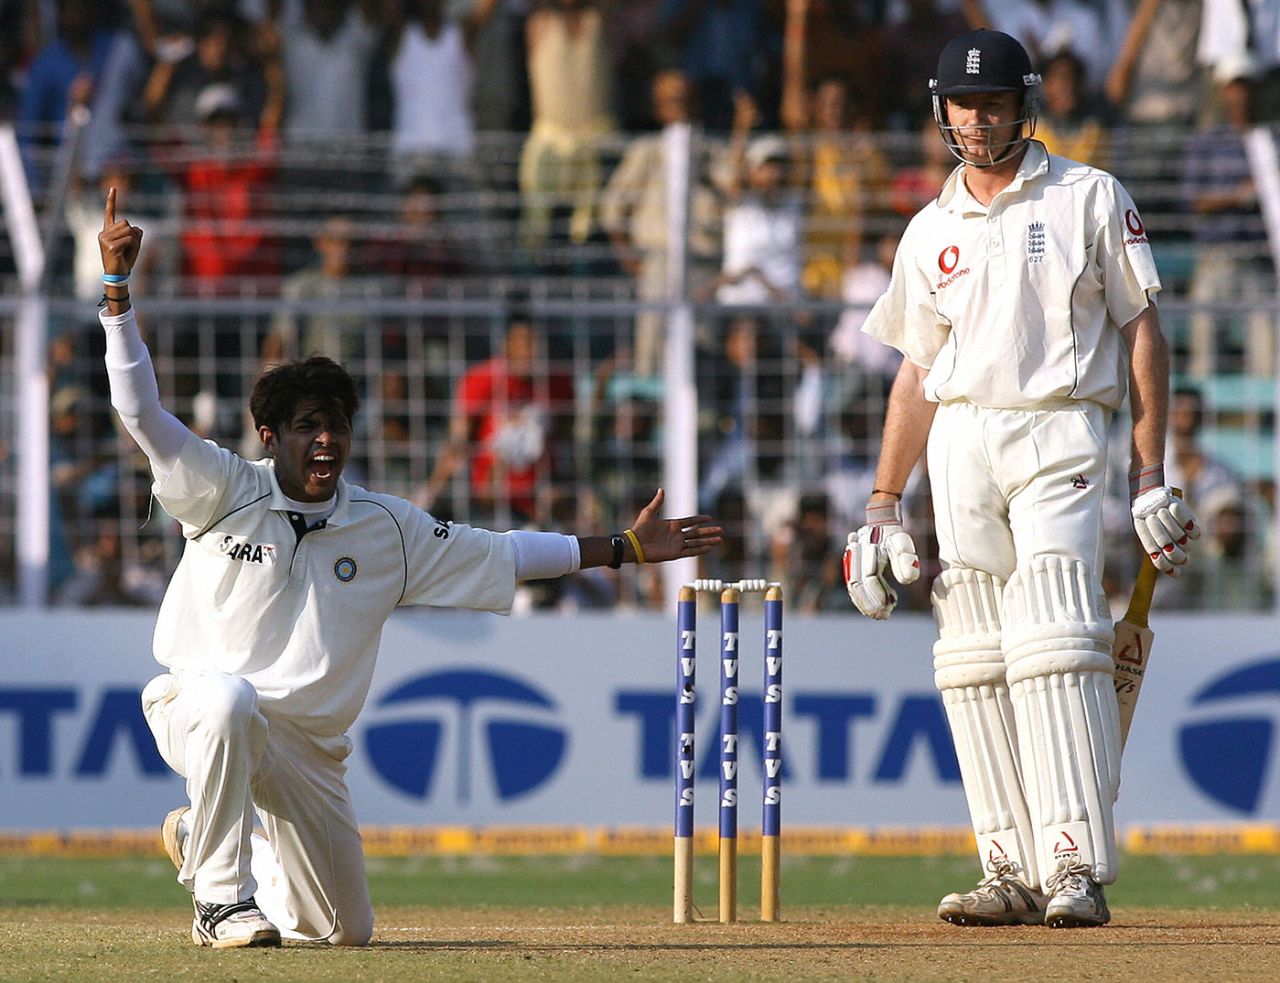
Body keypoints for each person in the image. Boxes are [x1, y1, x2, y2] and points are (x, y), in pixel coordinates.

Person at [97, 188, 722, 949]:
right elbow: (141, 413)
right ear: (269, 435)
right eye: (306, 429)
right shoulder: (223, 487)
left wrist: (621, 547)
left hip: (307, 747)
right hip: (198, 709)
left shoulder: (387, 525)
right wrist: (119, 295)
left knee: (341, 930)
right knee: (231, 701)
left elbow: (504, 551)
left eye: (336, 428)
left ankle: (206, 830)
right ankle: (219, 900)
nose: (326, 442)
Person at [842, 29, 1200, 930]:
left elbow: (1141, 329)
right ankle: (1007, 865)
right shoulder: (929, 230)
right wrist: (883, 502)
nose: (977, 122)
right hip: (962, 439)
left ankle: (1073, 864)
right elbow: (917, 373)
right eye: (963, 106)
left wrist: (1151, 472)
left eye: (992, 104)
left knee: (1056, 631)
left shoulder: (1088, 195)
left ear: (1023, 105)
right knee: (970, 654)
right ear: (941, 112)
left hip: (1061, 428)